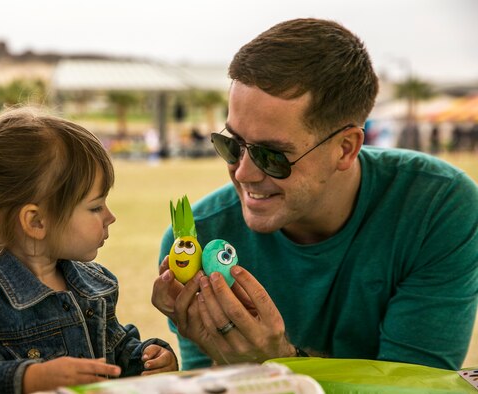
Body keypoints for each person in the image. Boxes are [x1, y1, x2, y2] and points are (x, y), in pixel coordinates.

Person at [151, 18, 478, 372]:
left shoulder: (438, 208)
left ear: (345, 148)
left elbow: (415, 384)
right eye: (232, 144)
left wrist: (278, 364)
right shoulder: (197, 238)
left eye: (271, 155)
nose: (242, 172)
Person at [0, 106, 178, 393]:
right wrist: (32, 379)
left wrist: (145, 356)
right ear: (36, 221)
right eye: (95, 207)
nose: (110, 216)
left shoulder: (93, 283)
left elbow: (113, 348)